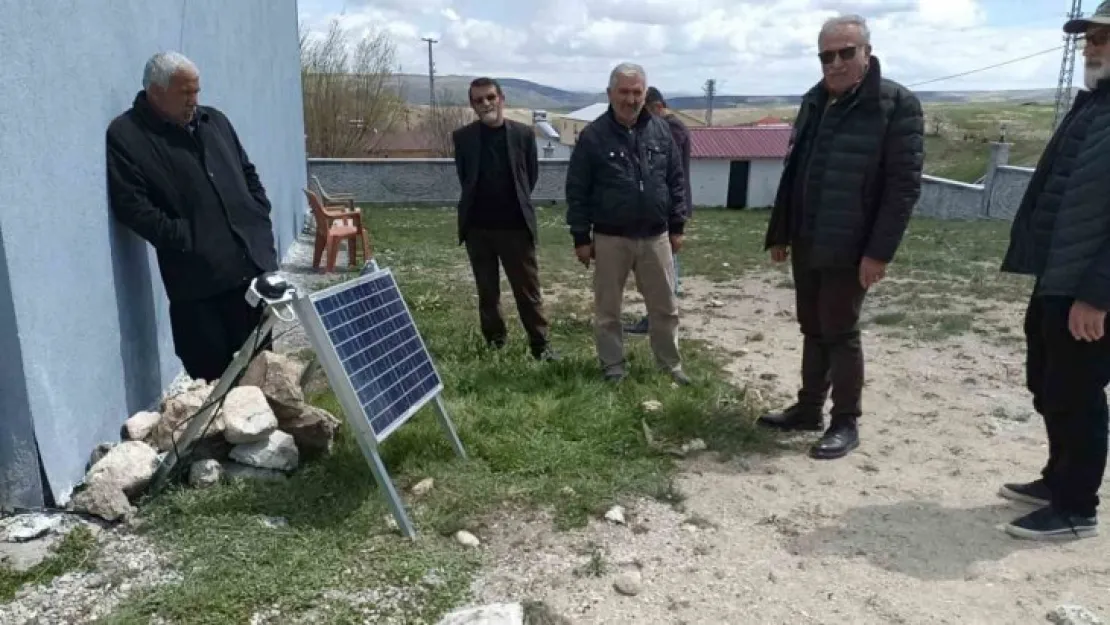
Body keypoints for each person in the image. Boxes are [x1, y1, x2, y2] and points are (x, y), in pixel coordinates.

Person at [759, 15, 924, 460]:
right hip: (809, 237)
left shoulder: (896, 106)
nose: (835, 63)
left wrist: (878, 253)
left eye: (845, 53)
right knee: (812, 326)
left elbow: (903, 188)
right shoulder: (815, 101)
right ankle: (809, 408)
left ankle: (845, 420)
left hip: (852, 246)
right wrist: (782, 230)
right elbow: (796, 171)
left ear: (866, 53)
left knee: (841, 331)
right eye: (826, 55)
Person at [994, 2, 1110, 541]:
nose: (1090, 47)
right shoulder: (1095, 105)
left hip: (1090, 288)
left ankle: (1076, 507)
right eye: (1089, 37)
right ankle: (1056, 478)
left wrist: (1097, 294)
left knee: (1077, 391)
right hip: (1058, 276)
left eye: (1102, 38)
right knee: (1046, 380)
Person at [107, 51, 278, 383]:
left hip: (251, 273)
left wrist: (257, 211)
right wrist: (187, 239)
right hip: (198, 287)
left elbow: (247, 172)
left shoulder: (215, 122)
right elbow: (132, 207)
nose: (194, 101)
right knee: (213, 385)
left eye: (196, 91)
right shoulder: (128, 136)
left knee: (261, 373)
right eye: (185, 93)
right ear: (156, 92)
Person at [565, 62, 690, 385]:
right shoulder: (593, 136)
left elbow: (676, 180)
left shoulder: (661, 131)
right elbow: (577, 190)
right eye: (624, 91)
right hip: (610, 237)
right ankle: (613, 368)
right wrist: (581, 236)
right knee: (608, 310)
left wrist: (677, 226)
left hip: (656, 236)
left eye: (637, 92)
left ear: (645, 94)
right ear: (610, 94)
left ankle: (670, 366)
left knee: (665, 307)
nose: (631, 99)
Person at [452, 77, 558, 361]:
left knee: (528, 292)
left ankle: (541, 346)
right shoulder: (462, 138)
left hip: (515, 228)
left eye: (490, 97)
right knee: (487, 292)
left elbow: (530, 177)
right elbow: (466, 178)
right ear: (472, 105)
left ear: (501, 98)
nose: (486, 104)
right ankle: (495, 346)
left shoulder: (523, 135)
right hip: (478, 229)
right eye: (478, 100)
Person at [625, 86, 692, 335]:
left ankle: (659, 317)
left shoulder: (671, 129)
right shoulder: (673, 126)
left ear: (656, 106)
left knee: (665, 270)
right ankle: (658, 314)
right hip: (665, 205)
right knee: (667, 267)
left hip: (668, 206)